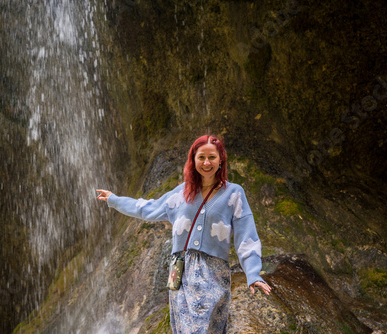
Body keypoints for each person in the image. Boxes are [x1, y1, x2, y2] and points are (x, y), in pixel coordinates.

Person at [96, 134, 271, 333]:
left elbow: (246, 236)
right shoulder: (181, 193)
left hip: (213, 274)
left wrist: (253, 273)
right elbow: (147, 208)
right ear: (193, 159)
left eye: (212, 157)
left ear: (221, 159)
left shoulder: (234, 194)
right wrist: (115, 200)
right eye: (201, 157)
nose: (206, 162)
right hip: (180, 273)